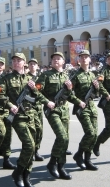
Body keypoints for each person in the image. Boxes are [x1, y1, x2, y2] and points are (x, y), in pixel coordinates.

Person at [0, 53, 37, 187]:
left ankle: (27, 174)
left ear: (24, 62)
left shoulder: (30, 79)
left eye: (19, 60)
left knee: (32, 146)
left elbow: (37, 96)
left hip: (30, 115)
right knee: (29, 144)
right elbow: (0, 95)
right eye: (14, 60)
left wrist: (34, 89)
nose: (15, 62)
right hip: (17, 116)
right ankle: (18, 172)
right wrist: (10, 105)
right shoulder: (6, 78)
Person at [34, 52, 76, 180]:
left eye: (58, 59)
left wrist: (70, 90)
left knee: (65, 139)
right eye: (53, 59)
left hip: (64, 109)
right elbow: (36, 91)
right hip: (52, 110)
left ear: (63, 62)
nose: (55, 60)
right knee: (62, 136)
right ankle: (52, 162)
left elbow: (70, 95)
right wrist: (47, 102)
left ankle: (61, 166)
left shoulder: (66, 76)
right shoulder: (45, 75)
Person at [71, 50, 100, 171]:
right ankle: (79, 154)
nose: (84, 59)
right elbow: (67, 93)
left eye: (86, 57)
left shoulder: (93, 75)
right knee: (90, 133)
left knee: (94, 135)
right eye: (82, 57)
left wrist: (97, 88)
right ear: (79, 60)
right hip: (81, 108)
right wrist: (78, 102)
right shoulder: (75, 75)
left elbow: (96, 94)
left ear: (89, 60)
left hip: (92, 107)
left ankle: (87, 160)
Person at [0, 56, 16, 169]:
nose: (0, 66)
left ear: (4, 66)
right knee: (0, 133)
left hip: (6, 110)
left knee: (8, 135)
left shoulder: (7, 78)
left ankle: (6, 159)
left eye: (2, 64)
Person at [27, 58, 44, 161]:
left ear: (37, 66)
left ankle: (36, 150)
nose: (32, 65)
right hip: (30, 106)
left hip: (38, 106)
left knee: (40, 130)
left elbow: (42, 89)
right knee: (33, 130)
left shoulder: (40, 77)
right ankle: (32, 151)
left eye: (34, 64)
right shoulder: (26, 77)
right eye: (31, 64)